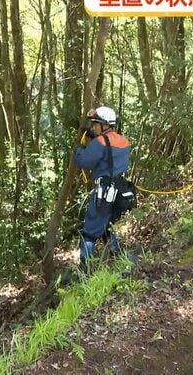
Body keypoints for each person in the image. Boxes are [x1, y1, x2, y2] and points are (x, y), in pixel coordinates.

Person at [75, 106, 132, 266]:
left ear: (104, 124)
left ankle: (84, 270)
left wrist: (78, 150)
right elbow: (111, 154)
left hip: (105, 192)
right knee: (109, 226)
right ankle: (117, 260)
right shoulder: (124, 141)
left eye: (96, 124)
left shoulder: (100, 142)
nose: (93, 127)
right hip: (121, 192)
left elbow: (84, 160)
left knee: (90, 233)